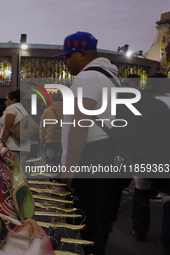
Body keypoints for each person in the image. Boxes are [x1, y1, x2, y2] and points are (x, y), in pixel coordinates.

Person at [57, 32, 123, 254]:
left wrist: (68, 170)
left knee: (87, 222)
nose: (65, 62)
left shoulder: (86, 78)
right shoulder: (110, 76)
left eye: (68, 57)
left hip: (93, 155)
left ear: (82, 54)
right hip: (113, 154)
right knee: (101, 219)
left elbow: (78, 127)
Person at [132, 73, 170, 254]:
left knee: (141, 191)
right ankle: (167, 239)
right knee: (167, 198)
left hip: (142, 157)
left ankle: (140, 230)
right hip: (165, 157)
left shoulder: (140, 104)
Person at [0, 89, 30, 162]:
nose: (5, 102)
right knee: (19, 171)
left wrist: (1, 143)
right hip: (24, 146)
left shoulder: (12, 108)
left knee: (10, 172)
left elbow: (8, 127)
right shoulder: (23, 109)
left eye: (7, 100)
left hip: (12, 146)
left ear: (13, 100)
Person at [39, 93, 63, 167]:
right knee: (62, 163)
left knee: (51, 164)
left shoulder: (46, 111)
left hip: (50, 141)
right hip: (64, 141)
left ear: (52, 101)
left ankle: (52, 178)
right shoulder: (68, 110)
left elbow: (42, 128)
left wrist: (42, 140)